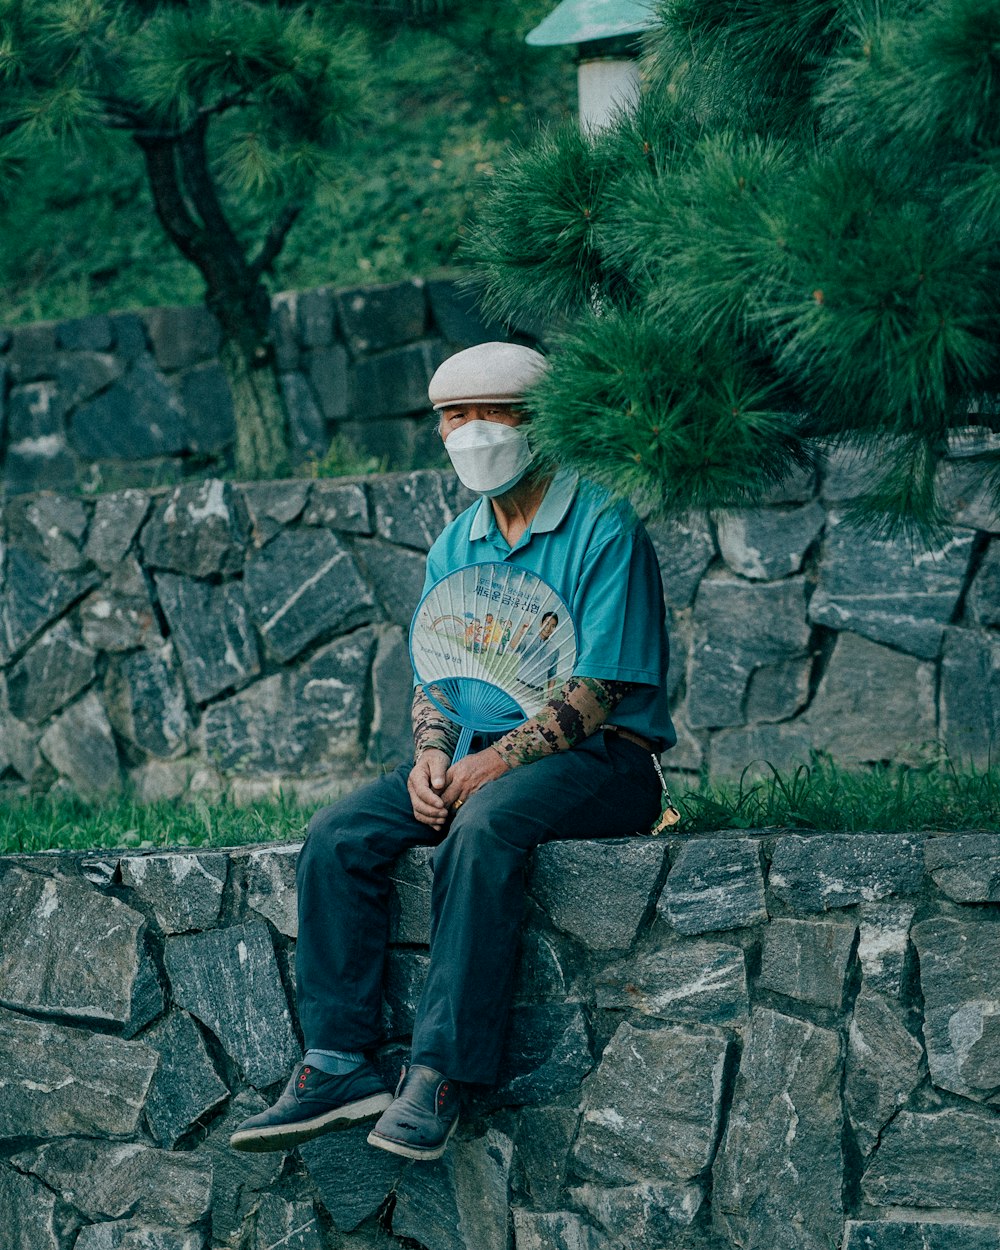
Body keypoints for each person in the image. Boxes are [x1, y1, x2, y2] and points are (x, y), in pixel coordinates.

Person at [230, 341, 675, 1161]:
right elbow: (439, 677)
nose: (469, 432)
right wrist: (433, 757)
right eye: (451, 418)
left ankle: (441, 1072)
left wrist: (493, 764)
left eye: (489, 413)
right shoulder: (455, 544)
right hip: (473, 755)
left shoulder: (603, 523)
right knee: (338, 836)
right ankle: (337, 1062)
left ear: (540, 420)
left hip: (603, 763)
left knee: (480, 831)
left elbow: (599, 691)